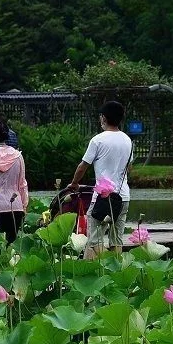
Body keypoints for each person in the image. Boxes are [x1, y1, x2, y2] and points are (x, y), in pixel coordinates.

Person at [69, 100, 133, 257]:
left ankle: (94, 269)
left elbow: (82, 166)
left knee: (94, 240)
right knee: (117, 239)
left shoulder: (98, 140)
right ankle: (116, 268)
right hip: (123, 197)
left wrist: (75, 183)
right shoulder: (128, 140)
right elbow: (129, 168)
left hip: (102, 199)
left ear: (103, 118)